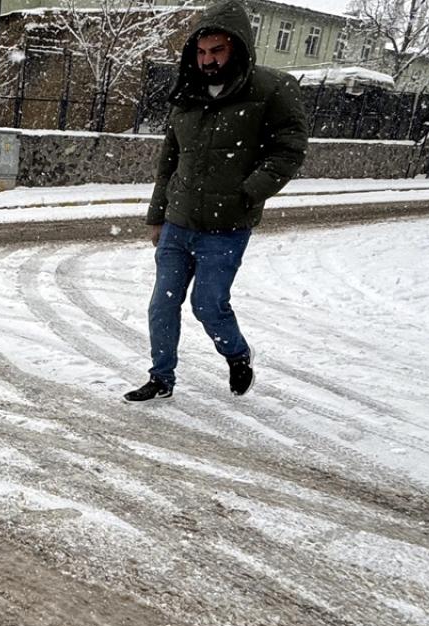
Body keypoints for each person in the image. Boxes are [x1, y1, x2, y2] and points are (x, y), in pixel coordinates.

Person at [125, 0, 307, 403]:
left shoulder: (272, 88)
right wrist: (157, 216)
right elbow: (169, 161)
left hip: (227, 227)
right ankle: (161, 378)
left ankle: (237, 354)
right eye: (202, 51)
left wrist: (248, 191)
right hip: (178, 222)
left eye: (217, 51)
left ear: (237, 47)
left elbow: (289, 150)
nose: (207, 60)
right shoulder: (187, 93)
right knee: (162, 306)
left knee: (208, 305)